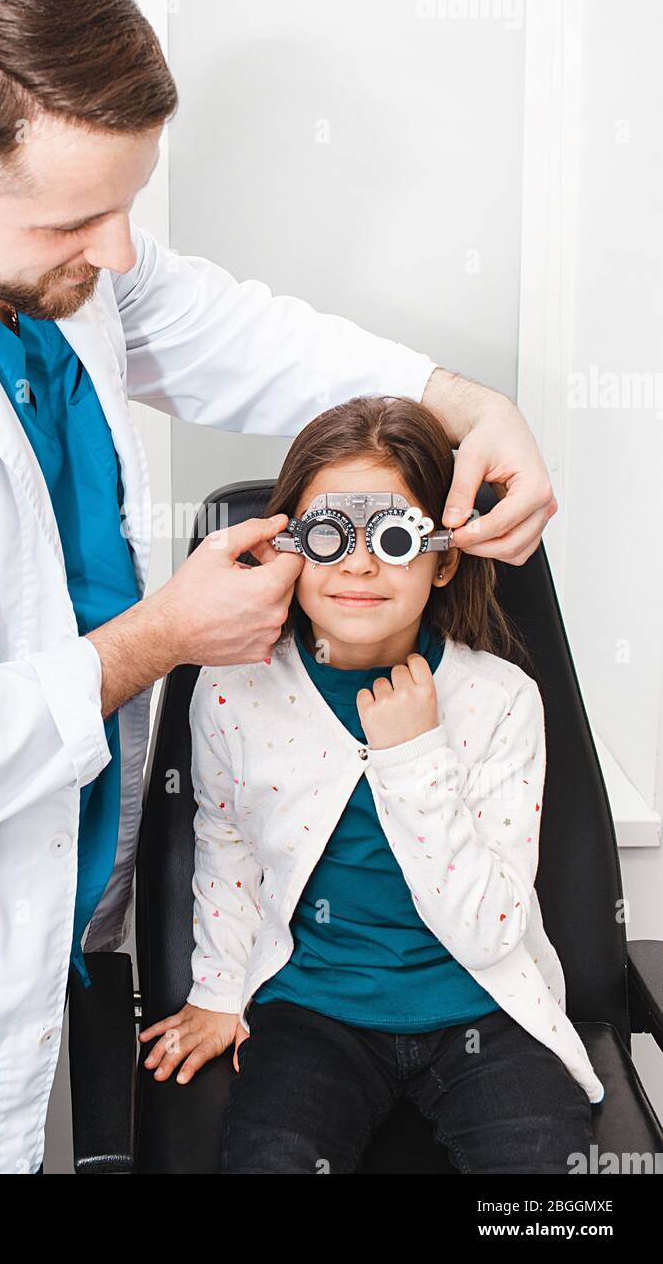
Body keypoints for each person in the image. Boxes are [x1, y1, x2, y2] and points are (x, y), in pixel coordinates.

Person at [0, 0, 557, 1174]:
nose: (120, 255)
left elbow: (237, 333)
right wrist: (163, 641)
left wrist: (467, 402)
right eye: (79, 221)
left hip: (76, 918)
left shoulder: (46, 255)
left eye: (129, 203)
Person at [139, 395, 603, 1174]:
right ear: (289, 544)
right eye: (328, 536)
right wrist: (218, 991)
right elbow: (223, 840)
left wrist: (415, 757)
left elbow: (494, 926)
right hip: (314, 1015)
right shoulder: (232, 691)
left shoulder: (500, 699)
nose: (357, 564)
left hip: (484, 1012)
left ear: (444, 557)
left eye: (391, 538)